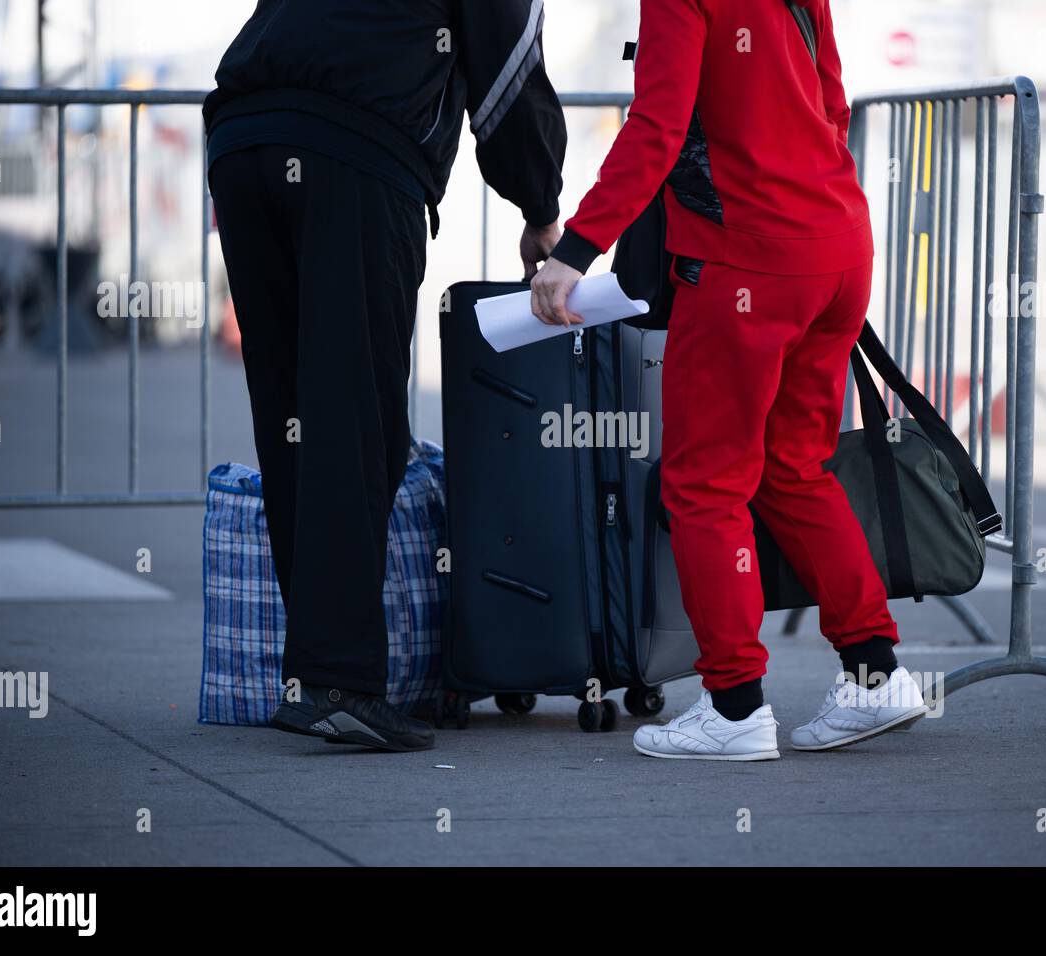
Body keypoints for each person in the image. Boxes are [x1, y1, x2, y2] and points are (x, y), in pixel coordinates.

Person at [531, 0, 927, 760]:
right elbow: (832, 105)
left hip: (746, 262)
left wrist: (576, 249)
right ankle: (876, 677)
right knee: (795, 468)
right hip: (838, 247)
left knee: (705, 483)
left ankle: (736, 707)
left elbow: (656, 128)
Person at [205, 0, 567, 752]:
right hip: (354, 152)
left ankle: (318, 673)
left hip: (244, 139)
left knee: (292, 417)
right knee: (354, 418)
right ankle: (340, 682)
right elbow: (508, 73)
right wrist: (541, 204)